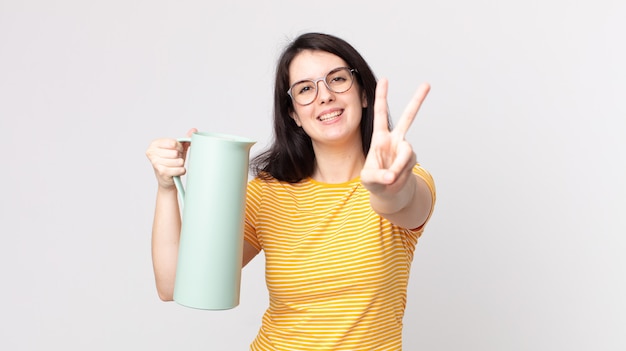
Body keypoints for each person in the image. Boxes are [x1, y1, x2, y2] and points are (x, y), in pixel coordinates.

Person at [146, 32, 436, 350]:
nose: (324, 96)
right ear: (293, 114)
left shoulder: (406, 180)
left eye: (338, 79)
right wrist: (166, 187)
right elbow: (173, 284)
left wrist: (390, 185)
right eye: (305, 89)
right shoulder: (266, 195)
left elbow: (401, 202)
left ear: (364, 94)